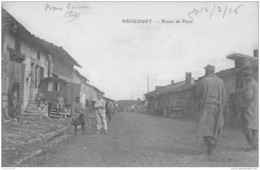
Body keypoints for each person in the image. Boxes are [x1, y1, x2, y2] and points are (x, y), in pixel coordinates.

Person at [195, 65, 227, 155]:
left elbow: (198, 94)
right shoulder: (221, 81)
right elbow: (224, 96)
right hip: (218, 106)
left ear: (208, 71)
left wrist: (198, 103)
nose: (205, 72)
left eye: (206, 70)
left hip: (207, 106)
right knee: (215, 127)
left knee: (205, 127)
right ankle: (211, 147)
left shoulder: (204, 80)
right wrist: (222, 108)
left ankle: (210, 147)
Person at [241, 69, 258, 152]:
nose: (245, 78)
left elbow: (248, 96)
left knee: (246, 126)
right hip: (256, 108)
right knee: (255, 127)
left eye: (246, 76)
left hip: (249, 107)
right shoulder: (256, 84)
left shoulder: (250, 84)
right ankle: (256, 144)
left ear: (249, 76)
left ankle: (251, 144)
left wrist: (244, 104)